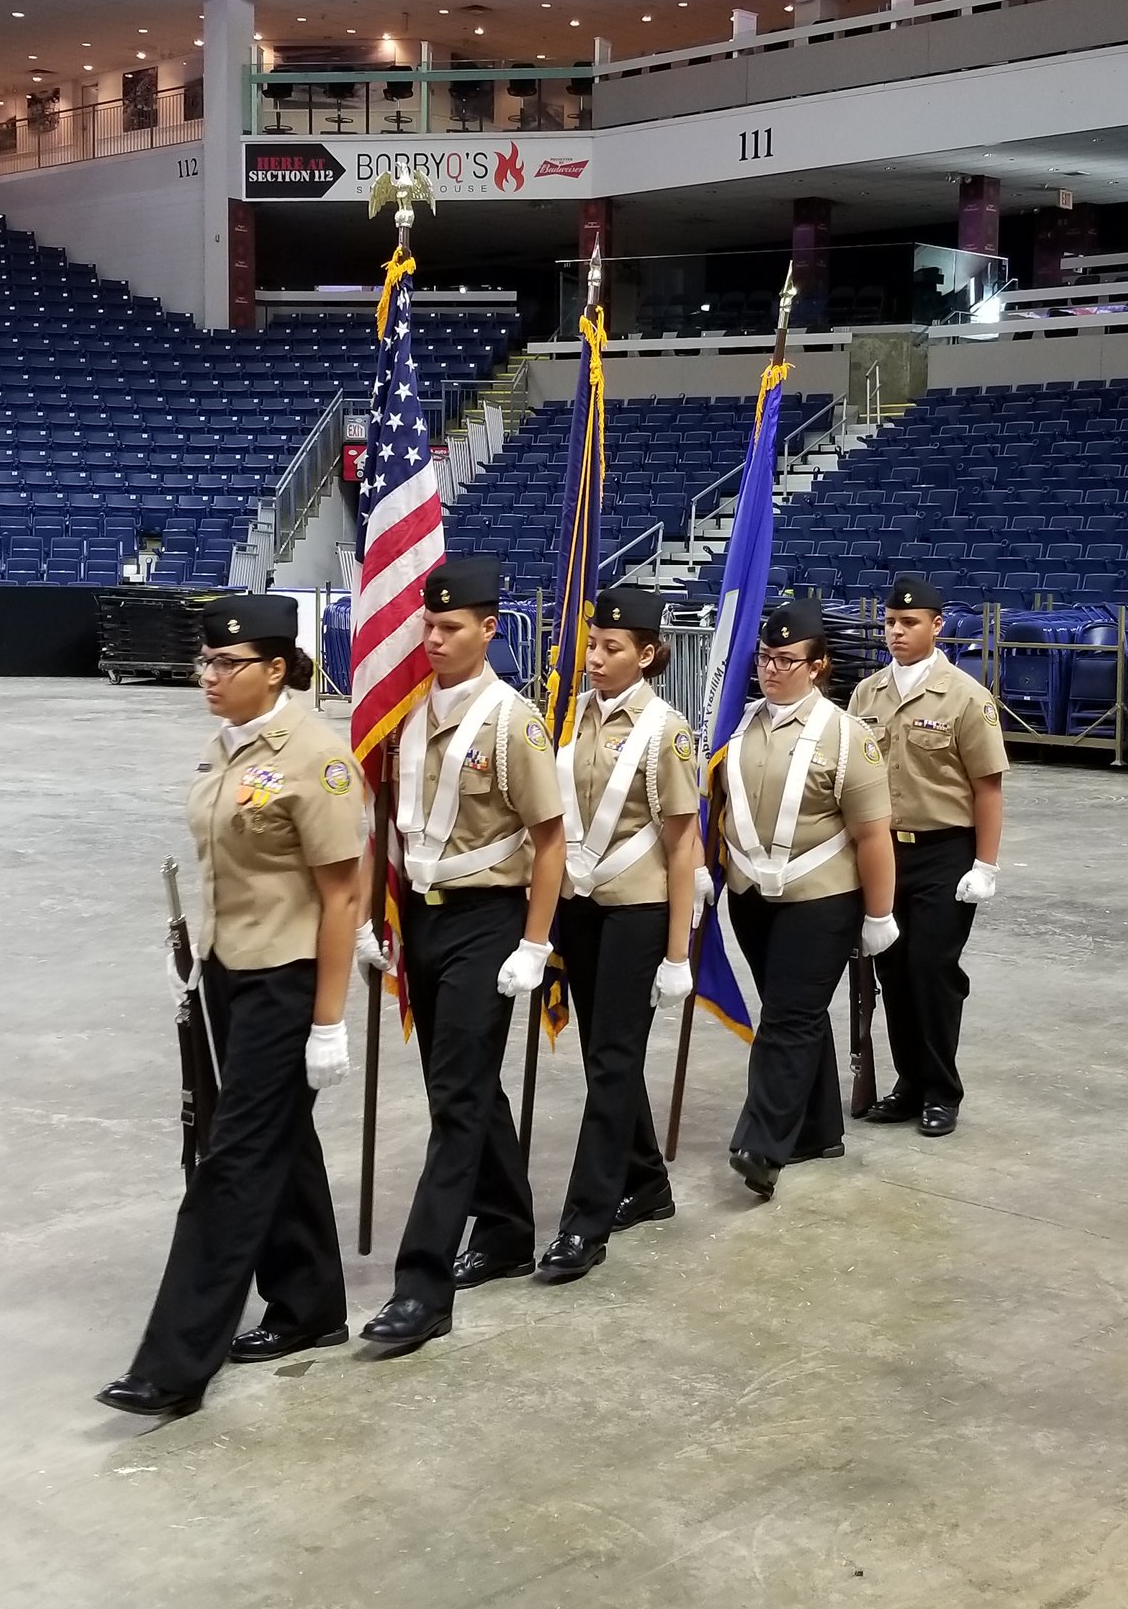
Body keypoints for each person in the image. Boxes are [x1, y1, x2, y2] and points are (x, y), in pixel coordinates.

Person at [97, 595, 364, 1418]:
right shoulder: (227, 749)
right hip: (228, 971)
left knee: (233, 1160)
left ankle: (176, 1363)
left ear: (275, 669)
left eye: (225, 663)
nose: (207, 676)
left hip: (287, 980)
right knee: (279, 1142)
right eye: (204, 662)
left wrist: (329, 1021)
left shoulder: (316, 759)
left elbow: (343, 896)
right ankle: (310, 1304)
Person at [357, 555, 565, 1354]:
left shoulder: (514, 721)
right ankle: (508, 1228)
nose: (435, 639)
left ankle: (422, 1285)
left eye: (451, 627)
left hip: (489, 920)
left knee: (454, 1099)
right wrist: (377, 915)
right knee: (466, 1085)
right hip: (423, 917)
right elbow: (390, 822)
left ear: (489, 628)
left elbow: (550, 840)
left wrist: (535, 943)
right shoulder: (406, 714)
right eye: (429, 625)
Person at [536, 586, 700, 1284]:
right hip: (581, 905)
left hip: (637, 909)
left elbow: (684, 844)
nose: (596, 658)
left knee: (611, 1060)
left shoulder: (666, 730)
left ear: (648, 653)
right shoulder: (573, 714)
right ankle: (648, 1182)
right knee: (605, 1056)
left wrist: (677, 954)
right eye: (593, 644)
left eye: (613, 647)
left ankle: (586, 1220)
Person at [720, 599, 898, 1199]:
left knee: (786, 1019)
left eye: (786, 660)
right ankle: (819, 1129)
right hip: (750, 894)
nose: (772, 669)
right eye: (765, 658)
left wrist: (879, 913)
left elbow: (873, 834)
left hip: (821, 897)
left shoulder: (847, 736)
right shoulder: (737, 723)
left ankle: (763, 1142)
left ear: (818, 666)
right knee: (794, 1010)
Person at [848, 575, 1010, 1138]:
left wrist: (985, 865)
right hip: (884, 852)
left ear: (937, 626)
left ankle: (942, 1090)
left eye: (909, 622)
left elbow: (987, 787)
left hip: (944, 853)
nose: (896, 631)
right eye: (890, 621)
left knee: (932, 971)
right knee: (892, 969)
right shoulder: (866, 695)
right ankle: (910, 1083)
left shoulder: (966, 696)